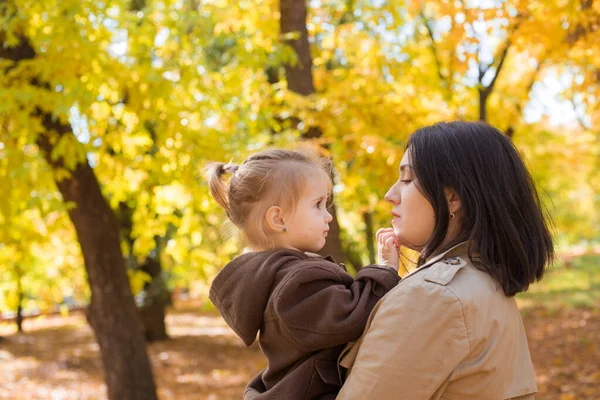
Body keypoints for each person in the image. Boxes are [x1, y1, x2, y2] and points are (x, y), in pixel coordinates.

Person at [337, 121, 554, 400]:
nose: (390, 195)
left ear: (452, 196)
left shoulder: (433, 297)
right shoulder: (483, 281)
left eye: (406, 179)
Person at [206, 148, 401, 399]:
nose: (329, 216)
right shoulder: (295, 284)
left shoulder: (277, 276)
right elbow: (354, 316)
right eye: (318, 205)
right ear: (278, 219)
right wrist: (385, 269)